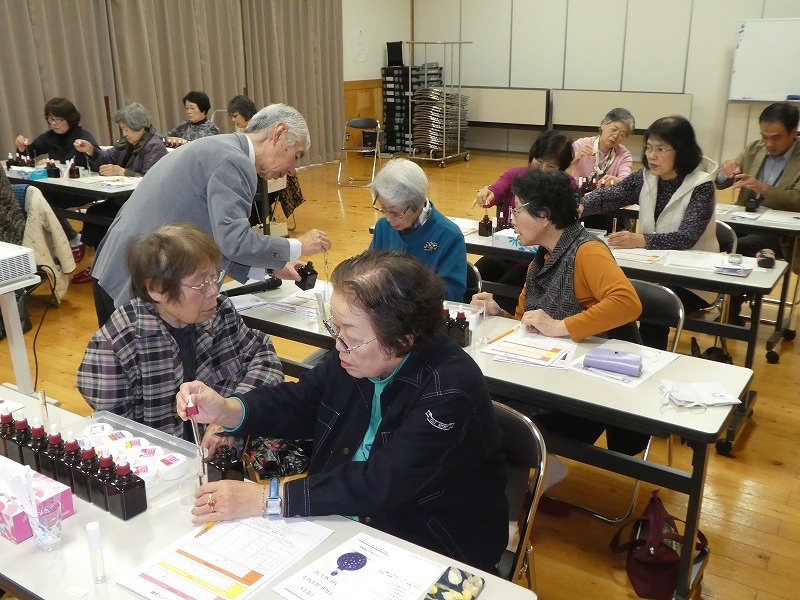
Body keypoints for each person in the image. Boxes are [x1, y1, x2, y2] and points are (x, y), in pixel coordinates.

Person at [176, 250, 509, 572]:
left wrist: (266, 498)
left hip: (426, 542)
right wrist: (227, 410)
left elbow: (382, 482)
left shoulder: (450, 387)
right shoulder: (356, 359)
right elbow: (301, 401)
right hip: (343, 521)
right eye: (335, 328)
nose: (338, 345)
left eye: (349, 335)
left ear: (402, 340)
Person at [471, 170, 646, 482]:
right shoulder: (541, 259)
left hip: (584, 394)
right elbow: (528, 326)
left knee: (495, 416)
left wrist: (561, 325)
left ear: (544, 216)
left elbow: (628, 302)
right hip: (548, 375)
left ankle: (521, 480)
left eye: (517, 210)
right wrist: (499, 313)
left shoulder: (587, 250)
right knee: (478, 401)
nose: (511, 218)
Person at [89, 103, 331, 326]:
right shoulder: (234, 161)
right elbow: (235, 242)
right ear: (278, 133)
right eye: (296, 155)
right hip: (136, 283)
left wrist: (269, 268)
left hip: (118, 270)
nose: (292, 170)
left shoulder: (221, 147)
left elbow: (217, 236)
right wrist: (298, 246)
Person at [78, 223, 283, 454]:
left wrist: (228, 416)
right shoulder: (116, 344)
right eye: (201, 284)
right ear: (157, 289)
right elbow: (115, 435)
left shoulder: (221, 314)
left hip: (224, 459)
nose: (213, 291)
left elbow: (265, 359)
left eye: (214, 277)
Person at [581, 115, 719, 349]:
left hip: (691, 280)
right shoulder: (646, 177)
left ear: (682, 151)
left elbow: (687, 237)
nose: (651, 156)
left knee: (646, 303)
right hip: (652, 271)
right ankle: (621, 353)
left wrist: (642, 240)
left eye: (660, 149)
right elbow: (610, 196)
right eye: (649, 148)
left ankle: (646, 357)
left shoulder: (701, 185)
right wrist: (580, 206)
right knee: (612, 296)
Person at [472, 130, 575, 313]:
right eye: (539, 163)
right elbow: (497, 190)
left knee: (511, 282)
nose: (543, 170)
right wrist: (488, 193)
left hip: (538, 259)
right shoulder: (516, 175)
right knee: (477, 272)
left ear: (562, 169)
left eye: (551, 166)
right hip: (508, 251)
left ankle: (505, 320)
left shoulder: (564, 187)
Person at [716, 102, 800, 324]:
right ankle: (703, 298)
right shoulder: (755, 148)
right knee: (707, 236)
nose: (769, 143)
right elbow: (722, 181)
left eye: (776, 138)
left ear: (793, 132)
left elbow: (797, 199)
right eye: (764, 137)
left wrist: (763, 189)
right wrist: (725, 172)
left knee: (740, 246)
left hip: (782, 233)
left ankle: (731, 314)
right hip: (745, 220)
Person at [71, 102, 168, 283]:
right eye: (123, 129)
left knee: (105, 216)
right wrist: (91, 150)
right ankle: (100, 263)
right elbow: (108, 157)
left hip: (143, 205)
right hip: (123, 199)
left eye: (127, 129)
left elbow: (150, 179)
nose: (125, 133)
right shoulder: (127, 143)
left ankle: (106, 265)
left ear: (140, 127)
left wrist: (123, 172)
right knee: (95, 212)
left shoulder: (154, 146)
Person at [369, 158, 467, 301]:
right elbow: (369, 271)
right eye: (383, 208)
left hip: (429, 311)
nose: (388, 218)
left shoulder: (449, 235)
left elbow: (451, 294)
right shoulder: (383, 227)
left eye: (395, 212)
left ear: (417, 203)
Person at [13, 97, 99, 259]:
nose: (54, 124)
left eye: (59, 119)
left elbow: (96, 162)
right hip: (57, 187)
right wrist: (22, 148)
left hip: (81, 189)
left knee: (39, 198)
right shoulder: (49, 137)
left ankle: (71, 239)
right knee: (33, 196)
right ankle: (60, 242)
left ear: (70, 119)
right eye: (51, 119)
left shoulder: (83, 136)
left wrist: (61, 164)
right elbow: (30, 153)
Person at [568, 107, 635, 234]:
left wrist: (617, 181)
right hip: (579, 200)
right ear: (603, 124)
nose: (615, 136)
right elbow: (560, 166)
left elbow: (626, 181)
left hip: (606, 206)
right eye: (614, 129)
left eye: (622, 134)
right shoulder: (582, 144)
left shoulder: (624, 155)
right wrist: (576, 156)